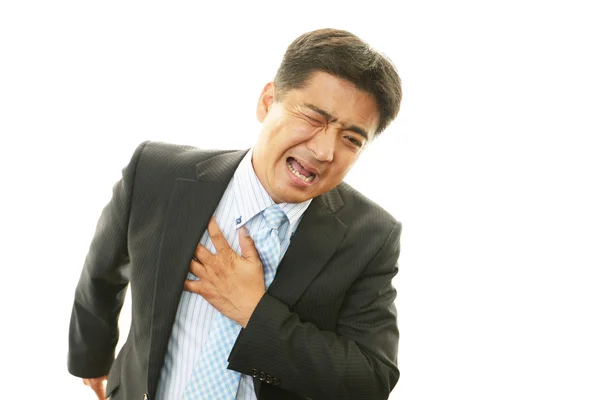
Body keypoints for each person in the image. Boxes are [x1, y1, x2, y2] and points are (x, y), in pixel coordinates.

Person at [68, 28, 403, 400]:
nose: (325, 150)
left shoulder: (370, 235)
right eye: (314, 118)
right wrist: (91, 359)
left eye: (352, 139)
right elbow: (102, 272)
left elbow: (370, 380)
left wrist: (254, 313)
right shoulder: (156, 173)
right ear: (267, 101)